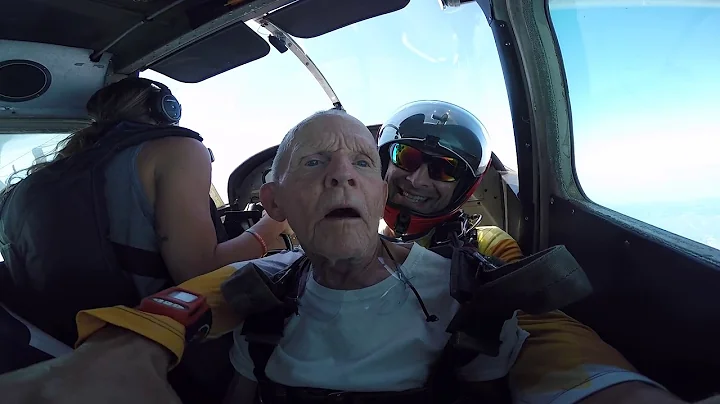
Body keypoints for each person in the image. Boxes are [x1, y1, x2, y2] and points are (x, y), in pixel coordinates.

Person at [0, 109, 700, 404]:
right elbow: (207, 292)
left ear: (470, 188)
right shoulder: (280, 271)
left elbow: (545, 330)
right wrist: (119, 357)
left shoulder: (481, 252)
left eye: (444, 171)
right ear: (277, 199)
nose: (419, 180)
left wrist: (618, 390)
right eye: (407, 160)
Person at [0, 77, 290, 401]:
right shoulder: (178, 149)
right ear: (165, 109)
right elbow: (198, 270)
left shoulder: (30, 185)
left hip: (73, 358)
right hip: (171, 361)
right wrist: (274, 226)